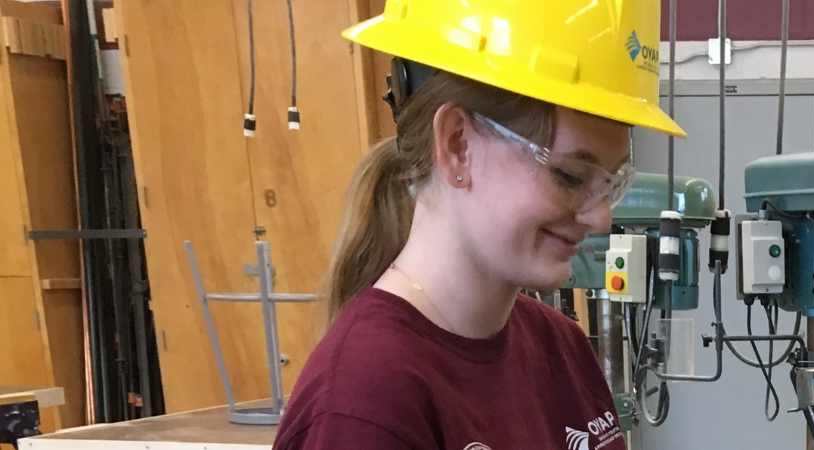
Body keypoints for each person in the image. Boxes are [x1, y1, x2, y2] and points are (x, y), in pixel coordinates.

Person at [272, 1, 684, 449]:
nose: (601, 217)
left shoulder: (560, 348)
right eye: (569, 176)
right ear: (457, 145)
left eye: (612, 182)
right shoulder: (365, 404)